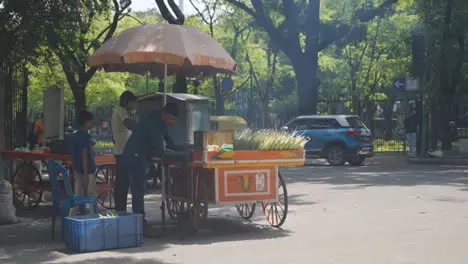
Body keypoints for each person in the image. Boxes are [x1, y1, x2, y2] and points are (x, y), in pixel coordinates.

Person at [122, 103, 185, 222]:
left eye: (174, 120)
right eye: (171, 119)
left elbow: (168, 140)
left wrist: (181, 148)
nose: (172, 122)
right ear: (164, 114)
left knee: (140, 188)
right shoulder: (153, 124)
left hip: (141, 155)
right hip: (135, 156)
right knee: (138, 189)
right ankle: (139, 220)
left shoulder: (160, 121)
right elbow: (160, 149)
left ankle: (139, 218)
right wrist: (178, 156)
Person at [111, 91, 137, 212]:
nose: (133, 106)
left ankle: (121, 209)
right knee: (122, 183)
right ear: (126, 102)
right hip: (122, 152)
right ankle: (120, 209)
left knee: (122, 183)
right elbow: (129, 125)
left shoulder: (117, 111)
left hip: (121, 151)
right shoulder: (121, 110)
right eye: (132, 104)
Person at [71, 110, 97, 215]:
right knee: (91, 193)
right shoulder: (85, 136)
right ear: (86, 122)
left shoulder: (76, 135)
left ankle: (73, 214)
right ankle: (93, 214)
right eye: (90, 122)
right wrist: (86, 171)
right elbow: (84, 153)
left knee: (78, 193)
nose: (91, 124)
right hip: (88, 169)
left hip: (77, 168)